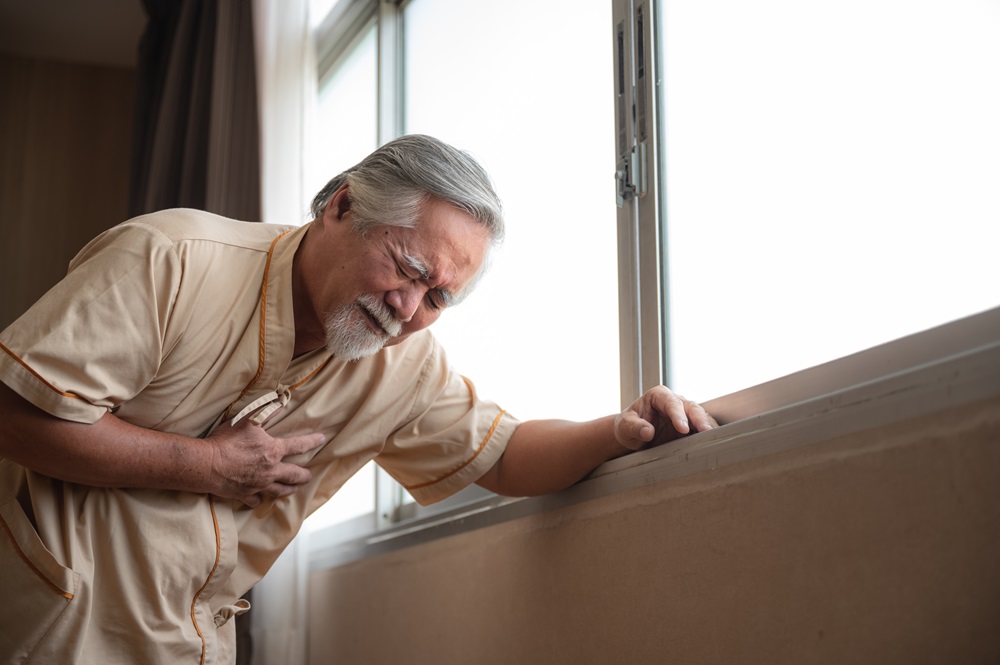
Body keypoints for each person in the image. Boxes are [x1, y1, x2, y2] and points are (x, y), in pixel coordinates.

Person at [0, 134, 716, 663]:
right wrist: (206, 467)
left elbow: (502, 456)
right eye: (407, 268)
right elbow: (11, 415)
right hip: (47, 626)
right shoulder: (169, 259)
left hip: (189, 646)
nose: (408, 308)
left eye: (438, 297)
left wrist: (621, 431)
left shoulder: (405, 364)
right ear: (342, 206)